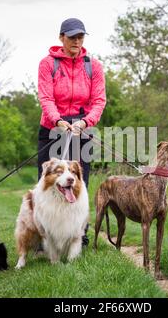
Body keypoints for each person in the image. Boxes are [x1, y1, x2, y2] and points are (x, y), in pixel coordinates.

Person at [37, 18, 107, 246]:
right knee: (49, 180)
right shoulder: (48, 64)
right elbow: (46, 97)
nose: (77, 41)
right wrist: (57, 120)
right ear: (61, 38)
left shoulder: (93, 66)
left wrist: (85, 122)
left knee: (78, 182)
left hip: (81, 130)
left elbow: (99, 100)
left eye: (80, 37)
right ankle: (45, 234)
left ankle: (78, 234)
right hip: (52, 128)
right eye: (72, 37)